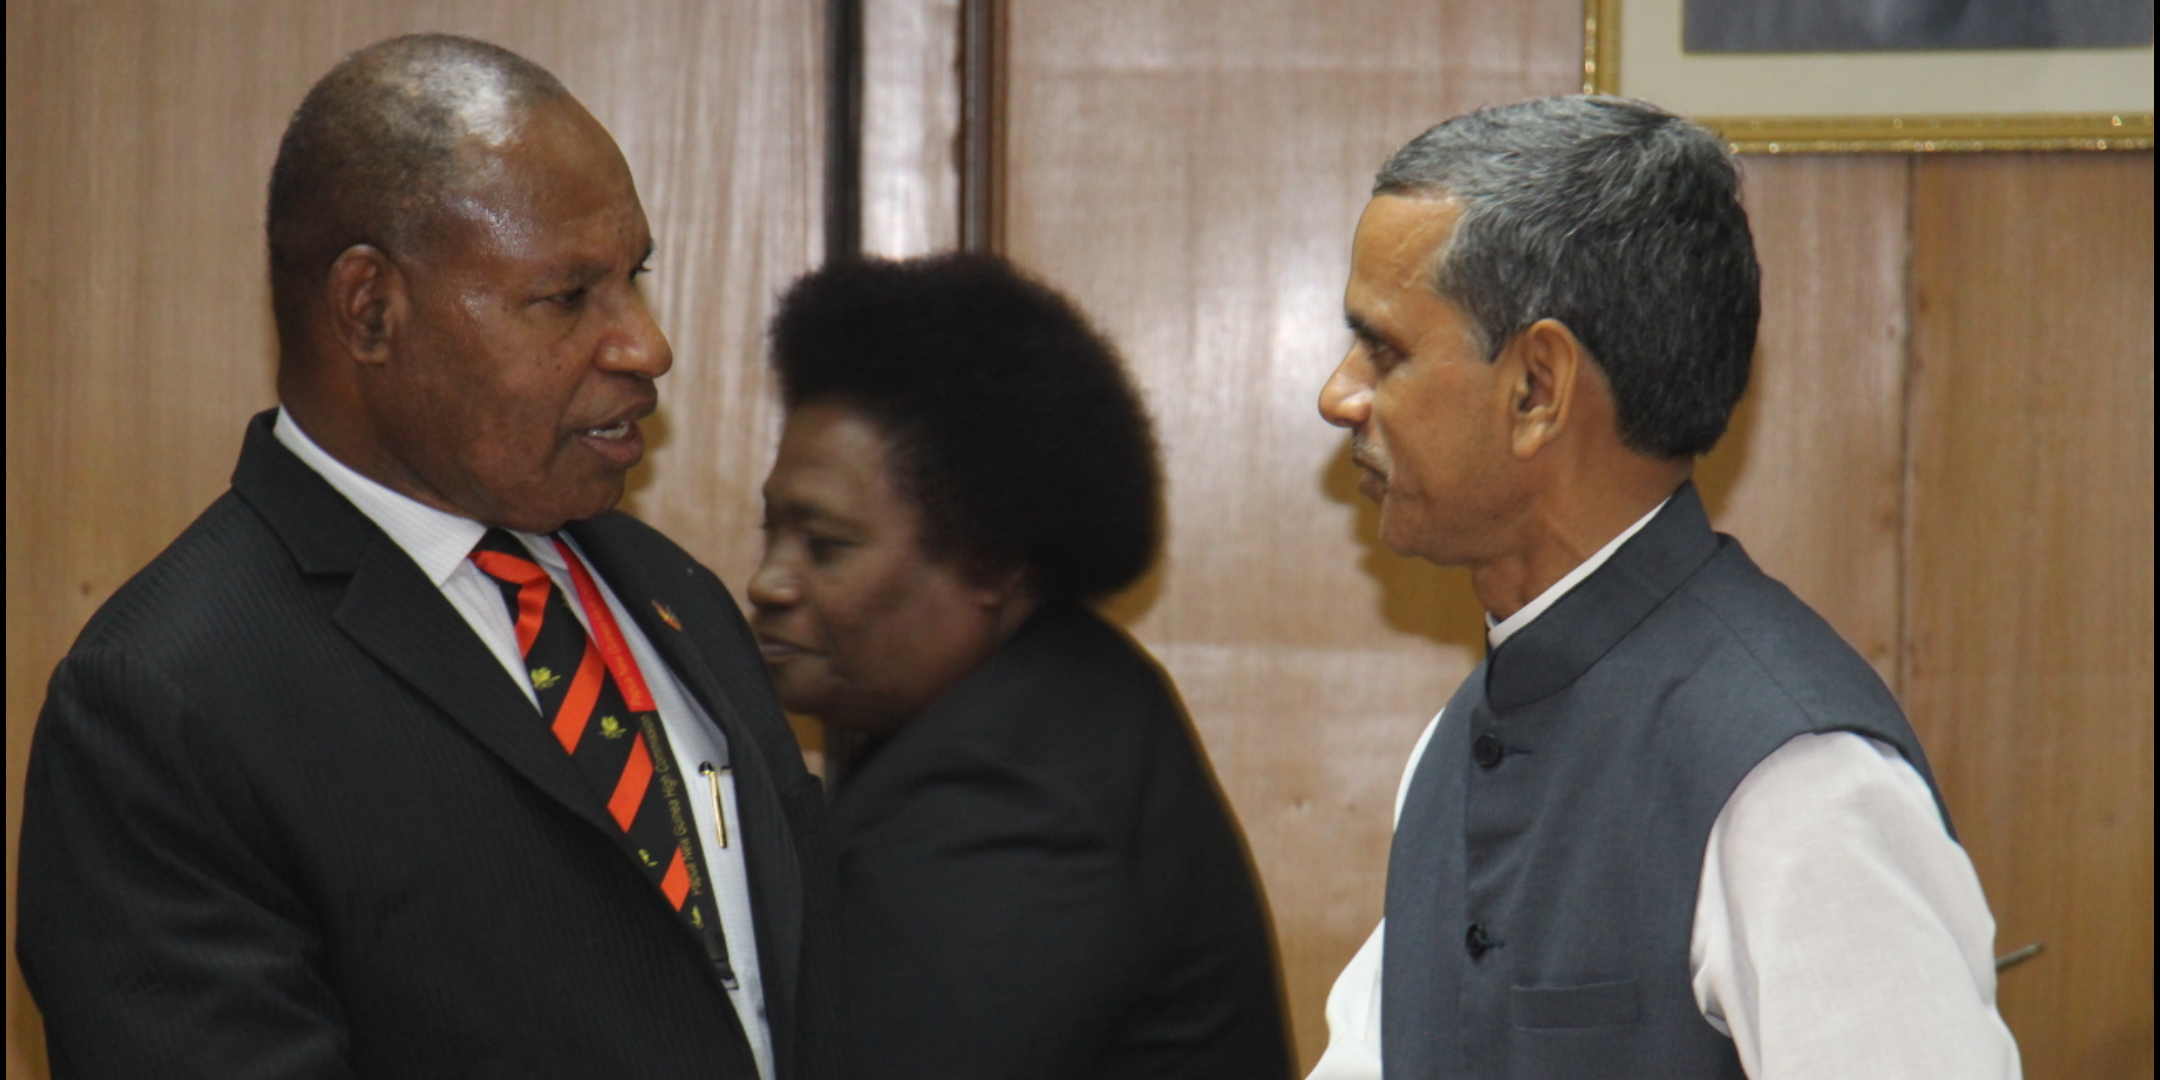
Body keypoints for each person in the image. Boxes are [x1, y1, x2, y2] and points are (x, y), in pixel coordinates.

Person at [15, 34, 840, 1080]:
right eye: (567, 296)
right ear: (371, 309)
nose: (646, 345)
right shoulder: (167, 699)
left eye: (633, 277)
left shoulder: (680, 597)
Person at [1308, 97, 2021, 1079]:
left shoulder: (1792, 777)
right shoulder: (1460, 739)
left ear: (1537, 389)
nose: (1338, 395)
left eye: (1384, 350)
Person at [747, 253, 1294, 1080]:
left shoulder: (1006, 799)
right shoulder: (1055, 698)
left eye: (824, 545)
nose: (769, 581)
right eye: (774, 532)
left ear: (991, 564)